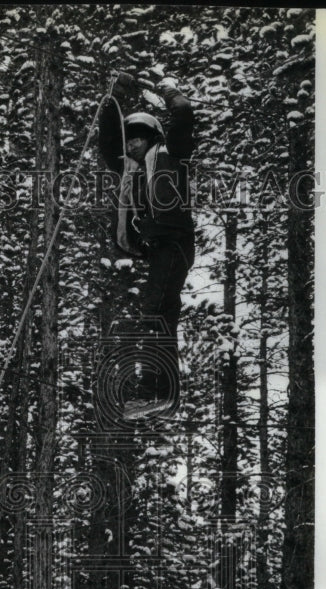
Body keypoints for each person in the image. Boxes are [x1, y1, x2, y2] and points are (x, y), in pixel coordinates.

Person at [98, 71, 195, 417]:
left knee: (155, 309)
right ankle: (165, 395)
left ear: (152, 136)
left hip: (175, 241)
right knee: (160, 312)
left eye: (138, 137)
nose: (131, 143)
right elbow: (108, 142)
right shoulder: (131, 169)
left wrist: (171, 92)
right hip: (159, 248)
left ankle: (157, 389)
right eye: (129, 138)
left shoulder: (172, 153)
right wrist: (112, 99)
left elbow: (184, 117)